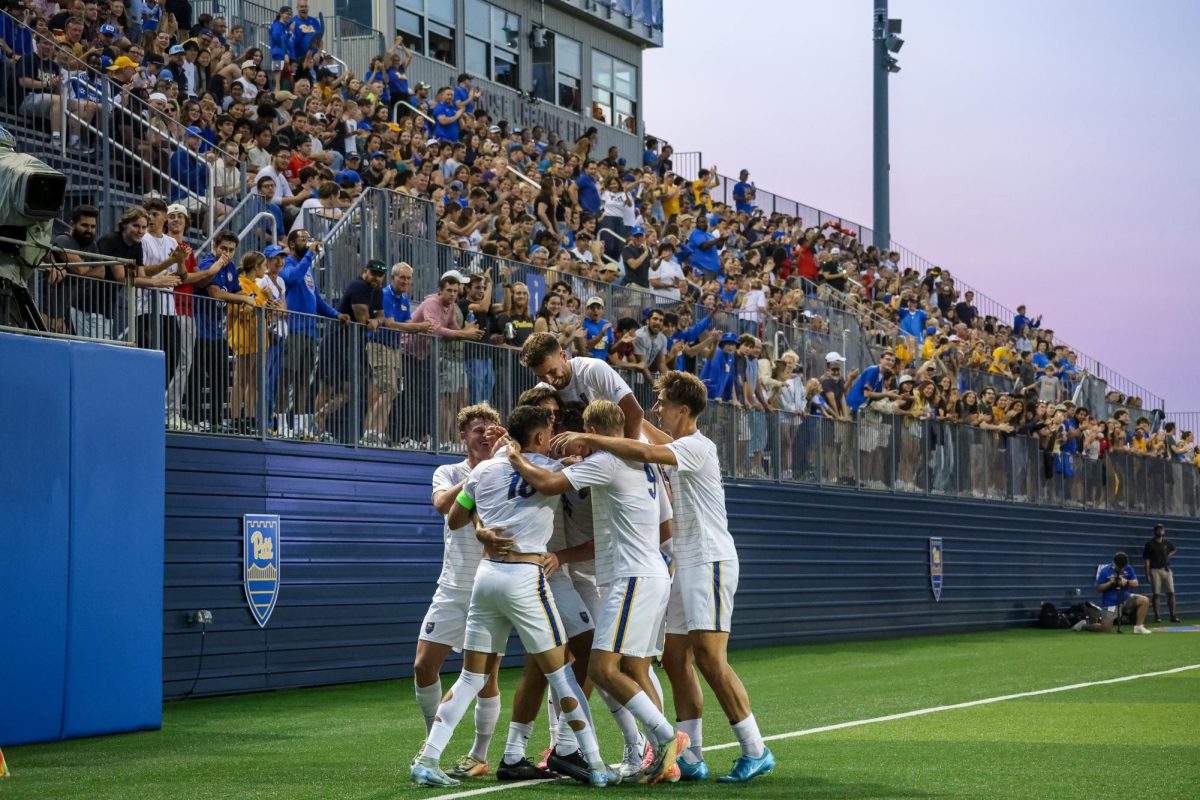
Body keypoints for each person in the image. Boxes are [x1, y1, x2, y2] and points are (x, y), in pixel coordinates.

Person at [550, 371, 774, 783]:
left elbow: (645, 450)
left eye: (663, 402)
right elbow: (643, 435)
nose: (657, 408)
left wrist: (594, 439)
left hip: (709, 560)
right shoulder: (679, 443)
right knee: (673, 659)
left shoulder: (697, 447)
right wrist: (622, 411)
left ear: (683, 409)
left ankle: (755, 748)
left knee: (710, 658)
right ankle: (690, 757)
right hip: (684, 564)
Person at [412, 405, 617, 788]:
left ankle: (427, 758)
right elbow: (564, 479)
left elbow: (455, 518)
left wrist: (483, 525)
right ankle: (594, 761)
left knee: (471, 676)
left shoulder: (483, 470)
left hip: (485, 577)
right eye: (550, 431)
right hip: (526, 576)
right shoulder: (555, 471)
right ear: (539, 437)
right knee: (562, 673)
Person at [507, 399, 687, 785]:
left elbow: (548, 482)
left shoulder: (606, 462)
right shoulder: (645, 463)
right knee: (632, 670)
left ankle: (667, 738)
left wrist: (515, 456)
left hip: (632, 576)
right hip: (652, 573)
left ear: (590, 430)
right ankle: (653, 756)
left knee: (602, 669)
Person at [414, 403, 506, 780]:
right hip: (453, 585)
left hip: (491, 584)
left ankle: (479, 754)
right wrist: (474, 478)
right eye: (476, 428)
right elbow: (441, 506)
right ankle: (431, 738)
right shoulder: (449, 471)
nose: (483, 433)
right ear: (463, 436)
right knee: (423, 665)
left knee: (486, 677)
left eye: (490, 428)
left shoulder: (505, 471)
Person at [521, 331, 644, 440]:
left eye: (552, 371)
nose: (549, 380)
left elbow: (634, 412)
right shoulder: (542, 391)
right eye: (541, 376)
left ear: (564, 356)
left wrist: (626, 456)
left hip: (625, 447)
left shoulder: (593, 369)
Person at [1072, 552, 1152, 634]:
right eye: (1119, 567)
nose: (1122, 569)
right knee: (1105, 629)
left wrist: (1127, 582)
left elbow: (1136, 583)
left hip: (1125, 598)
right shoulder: (1105, 571)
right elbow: (1099, 588)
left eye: (1123, 567)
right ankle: (1083, 625)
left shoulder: (1128, 568)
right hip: (1110, 603)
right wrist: (1110, 583)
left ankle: (1139, 627)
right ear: (1114, 563)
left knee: (1144, 600)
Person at [1142, 524, 1179, 623]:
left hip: (1166, 569)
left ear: (1164, 531)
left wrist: (1167, 555)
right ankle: (1157, 616)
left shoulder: (1166, 543)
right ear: (1155, 531)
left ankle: (1173, 616)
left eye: (1162, 530)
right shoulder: (1149, 544)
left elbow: (1174, 549)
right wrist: (1147, 574)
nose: (1160, 531)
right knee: (1157, 594)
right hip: (1155, 570)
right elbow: (1147, 560)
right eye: (1158, 530)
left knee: (1171, 593)